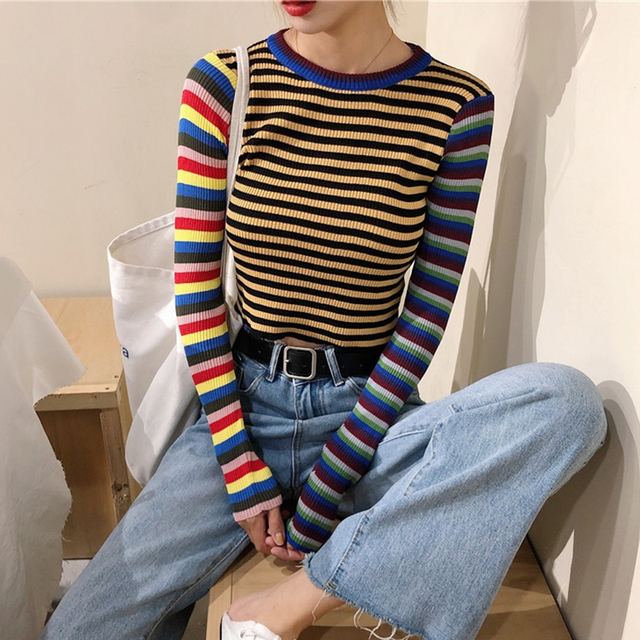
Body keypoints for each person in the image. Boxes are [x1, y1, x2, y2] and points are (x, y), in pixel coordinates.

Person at [40, 1, 608, 639]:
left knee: (566, 406)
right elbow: (196, 293)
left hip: (368, 421)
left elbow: (426, 313)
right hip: (241, 413)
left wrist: (336, 473)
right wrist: (238, 463)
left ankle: (299, 597)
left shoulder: (457, 107)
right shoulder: (226, 83)